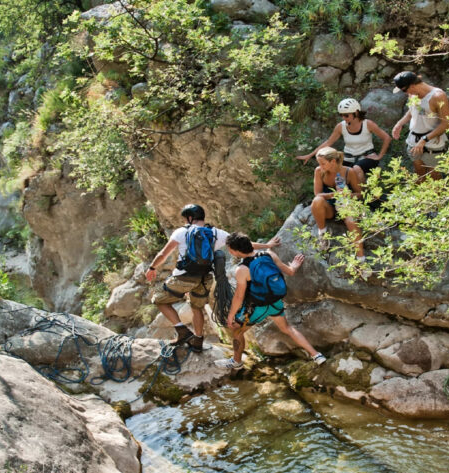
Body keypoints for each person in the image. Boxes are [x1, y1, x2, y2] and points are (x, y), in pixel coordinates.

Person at [145, 204, 278, 351]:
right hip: (204, 278)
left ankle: (182, 332)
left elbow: (163, 254)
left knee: (159, 300)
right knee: (197, 308)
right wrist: (267, 244)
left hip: (183, 277)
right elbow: (245, 245)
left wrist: (152, 268)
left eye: (185, 218)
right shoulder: (216, 232)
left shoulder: (181, 232)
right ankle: (198, 341)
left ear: (190, 218)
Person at [215, 232, 326, 370]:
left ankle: (236, 362)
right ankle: (317, 355)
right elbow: (290, 271)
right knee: (287, 329)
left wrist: (231, 315)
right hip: (275, 302)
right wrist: (295, 265)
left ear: (235, 251)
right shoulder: (269, 255)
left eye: (230, 249)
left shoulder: (242, 269)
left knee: (237, 332)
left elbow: (239, 297)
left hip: (256, 308)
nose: (230, 251)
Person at [296, 98, 391, 186]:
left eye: (346, 115)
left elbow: (386, 138)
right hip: (348, 158)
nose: (343, 118)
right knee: (335, 172)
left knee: (356, 169)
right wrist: (310, 155)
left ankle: (364, 197)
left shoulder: (368, 124)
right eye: (341, 115)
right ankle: (340, 197)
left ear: (356, 112)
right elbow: (328, 143)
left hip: (366, 156)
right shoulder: (340, 126)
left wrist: (379, 156)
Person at [309, 146, 366, 263]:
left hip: (345, 206)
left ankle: (361, 260)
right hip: (329, 208)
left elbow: (359, 194)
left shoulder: (349, 172)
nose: (321, 166)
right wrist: (334, 195)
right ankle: (323, 235)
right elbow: (318, 195)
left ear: (333, 161)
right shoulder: (319, 171)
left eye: (323, 163)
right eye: (319, 163)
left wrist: (347, 194)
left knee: (351, 221)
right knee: (316, 202)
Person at [391, 71, 449, 181]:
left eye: (405, 90)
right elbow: (412, 110)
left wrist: (424, 139)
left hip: (433, 143)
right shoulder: (412, 94)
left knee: (435, 177)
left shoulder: (437, 96)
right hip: (414, 140)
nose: (405, 93)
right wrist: (400, 123)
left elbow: (447, 124)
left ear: (413, 85)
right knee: (420, 175)